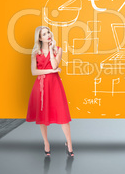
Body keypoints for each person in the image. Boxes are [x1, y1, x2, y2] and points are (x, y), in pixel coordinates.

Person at [26, 26, 74, 157]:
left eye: (48, 32)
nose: (48, 35)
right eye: (44, 34)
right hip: (41, 87)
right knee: (42, 117)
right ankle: (46, 143)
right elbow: (34, 72)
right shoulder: (35, 53)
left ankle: (69, 144)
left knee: (63, 116)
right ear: (40, 38)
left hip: (55, 85)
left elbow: (54, 65)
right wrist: (50, 71)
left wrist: (52, 51)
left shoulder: (58, 50)